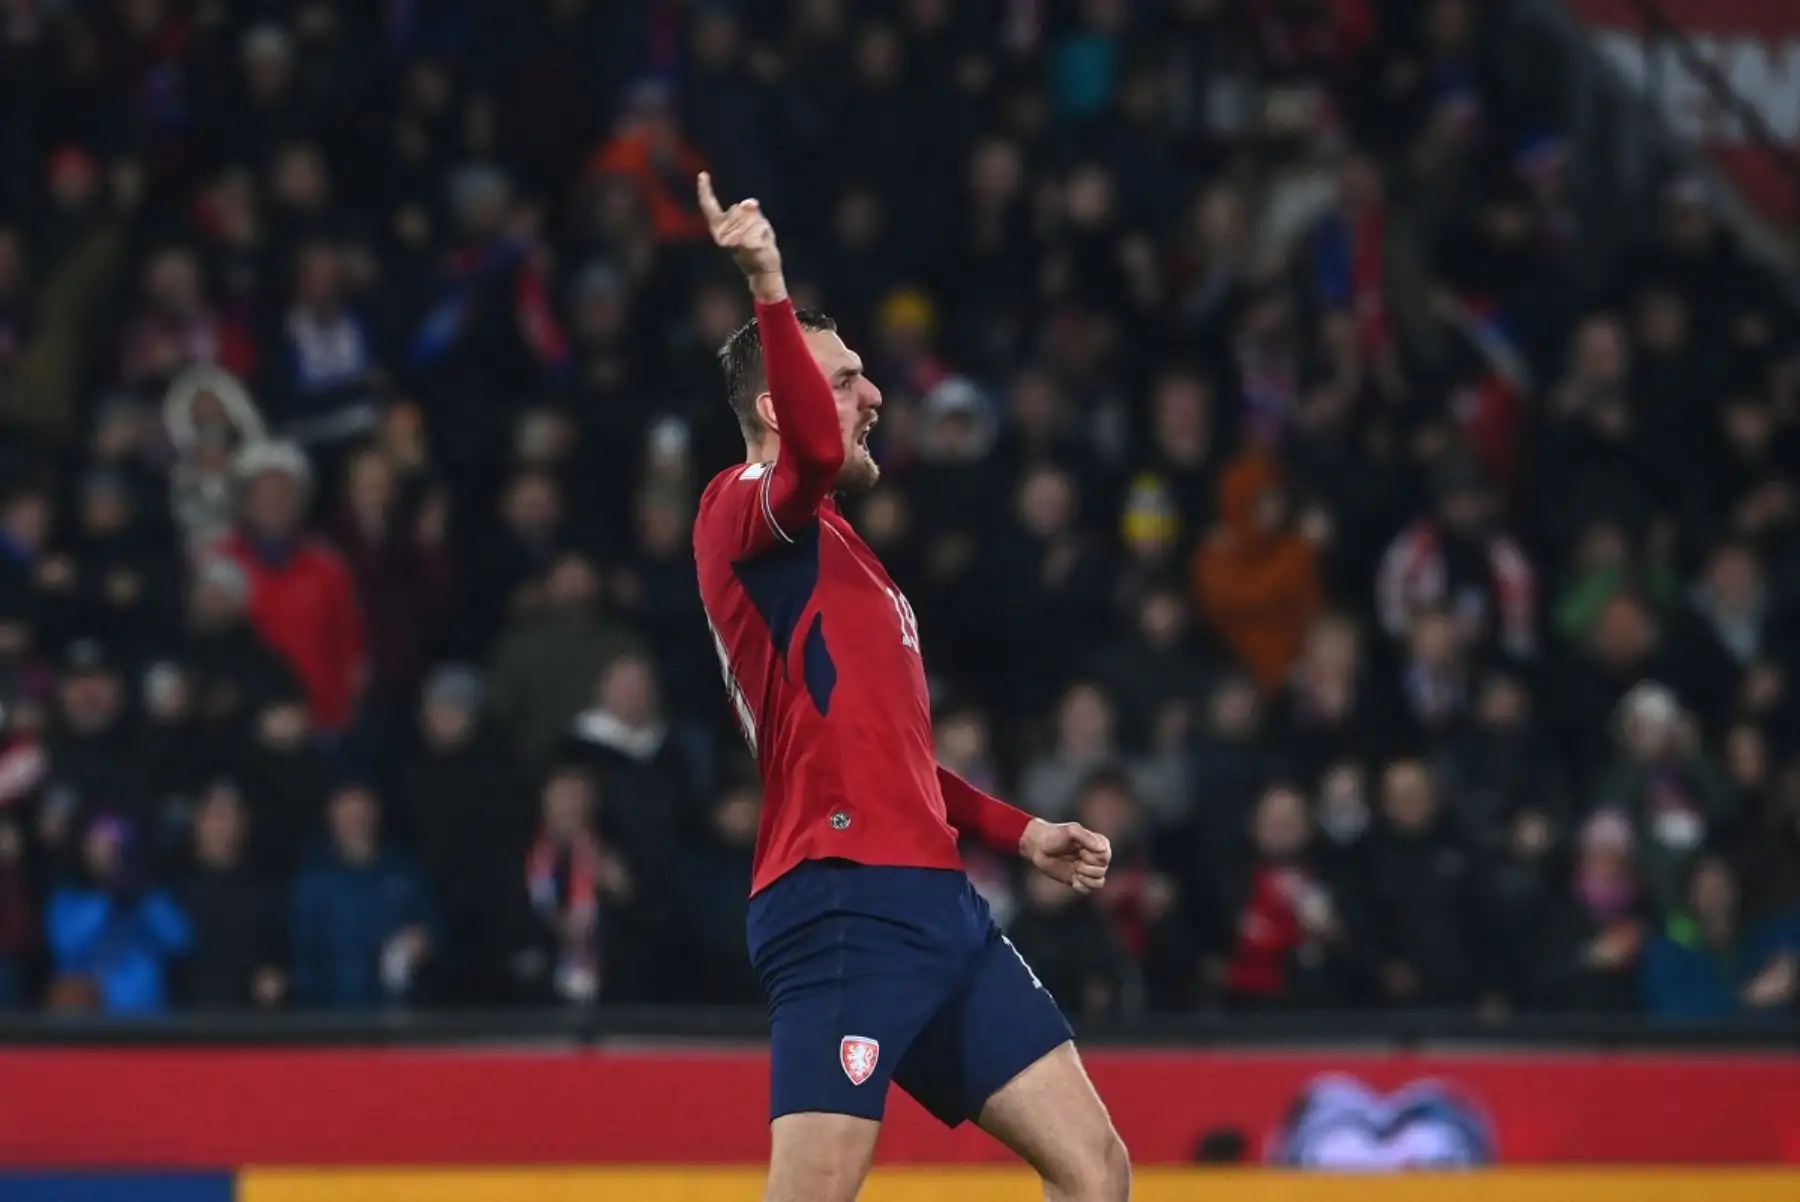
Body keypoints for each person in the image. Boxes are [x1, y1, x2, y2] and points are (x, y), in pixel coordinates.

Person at [690, 174, 1129, 1202]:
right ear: (777, 400)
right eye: (846, 380)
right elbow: (802, 453)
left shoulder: (844, 554)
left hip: (936, 900)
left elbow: (891, 755)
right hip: (841, 893)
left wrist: (1016, 830)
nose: (875, 395)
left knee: (1096, 1167)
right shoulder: (743, 507)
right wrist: (766, 279)